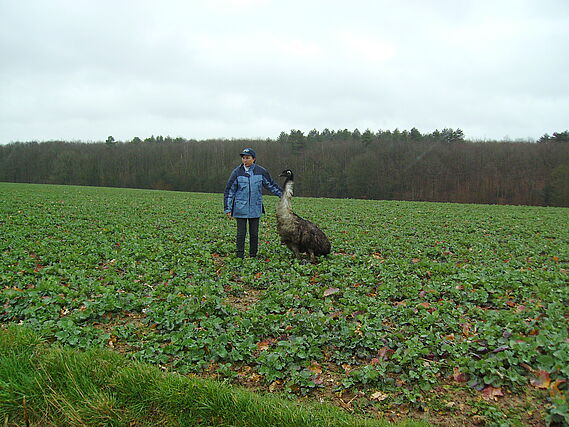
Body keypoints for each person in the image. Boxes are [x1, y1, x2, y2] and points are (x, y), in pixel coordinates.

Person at [224, 148, 282, 258]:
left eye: (248, 158)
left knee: (254, 234)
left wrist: (283, 195)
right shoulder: (236, 172)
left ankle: (253, 255)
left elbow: (271, 185)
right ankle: (239, 256)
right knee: (241, 234)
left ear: (253, 159)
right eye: (243, 158)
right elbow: (229, 191)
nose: (245, 160)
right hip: (240, 208)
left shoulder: (261, 171)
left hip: (256, 208)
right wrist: (227, 208)